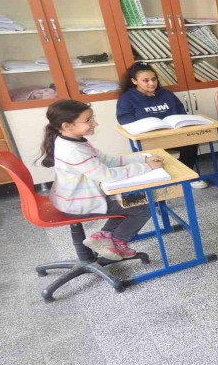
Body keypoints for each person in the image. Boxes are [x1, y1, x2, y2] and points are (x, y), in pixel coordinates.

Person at [39, 100, 162, 260]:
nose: (95, 124)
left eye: (92, 118)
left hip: (73, 198)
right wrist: (146, 167)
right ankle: (118, 241)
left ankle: (104, 236)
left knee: (130, 200)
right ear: (67, 126)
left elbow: (107, 160)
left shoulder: (74, 140)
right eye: (88, 120)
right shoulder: (73, 151)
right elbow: (107, 175)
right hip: (77, 204)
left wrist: (143, 159)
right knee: (144, 206)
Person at [116, 62, 208, 189]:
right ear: (134, 81)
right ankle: (169, 176)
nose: (151, 83)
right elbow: (127, 123)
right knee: (155, 154)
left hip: (173, 135)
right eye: (145, 80)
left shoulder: (166, 94)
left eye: (154, 79)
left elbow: (181, 114)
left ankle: (186, 175)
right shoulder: (127, 99)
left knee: (191, 141)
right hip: (148, 140)